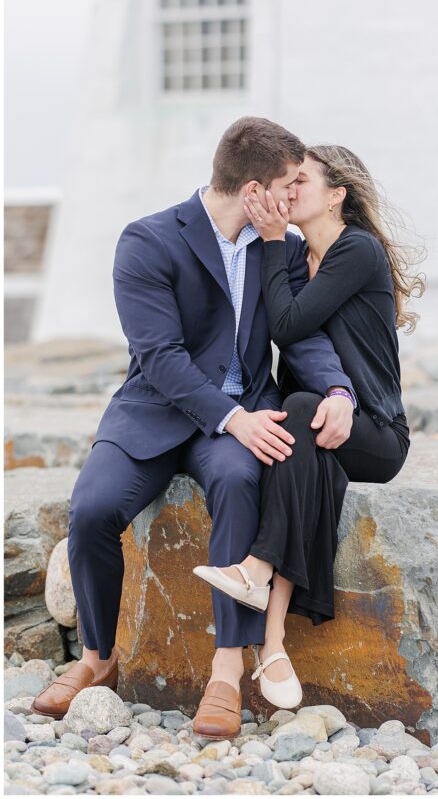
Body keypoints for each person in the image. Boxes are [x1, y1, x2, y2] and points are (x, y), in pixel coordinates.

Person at [30, 117, 359, 742]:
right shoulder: (148, 240)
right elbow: (160, 357)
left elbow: (300, 333)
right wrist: (233, 418)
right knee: (92, 509)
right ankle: (97, 658)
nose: (296, 196)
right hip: (156, 411)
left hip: (240, 417)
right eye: (289, 185)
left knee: (239, 484)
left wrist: (339, 390)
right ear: (255, 191)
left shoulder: (282, 247)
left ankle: (226, 672)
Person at [193, 144, 424, 710]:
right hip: (317, 425)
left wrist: (272, 242)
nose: (288, 190)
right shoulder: (298, 257)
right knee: (301, 448)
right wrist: (279, 248)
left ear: (336, 195)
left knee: (296, 410)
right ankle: (273, 642)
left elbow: (288, 323)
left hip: (376, 431)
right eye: (286, 181)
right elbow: (287, 327)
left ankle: (256, 569)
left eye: (301, 181)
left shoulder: (356, 250)